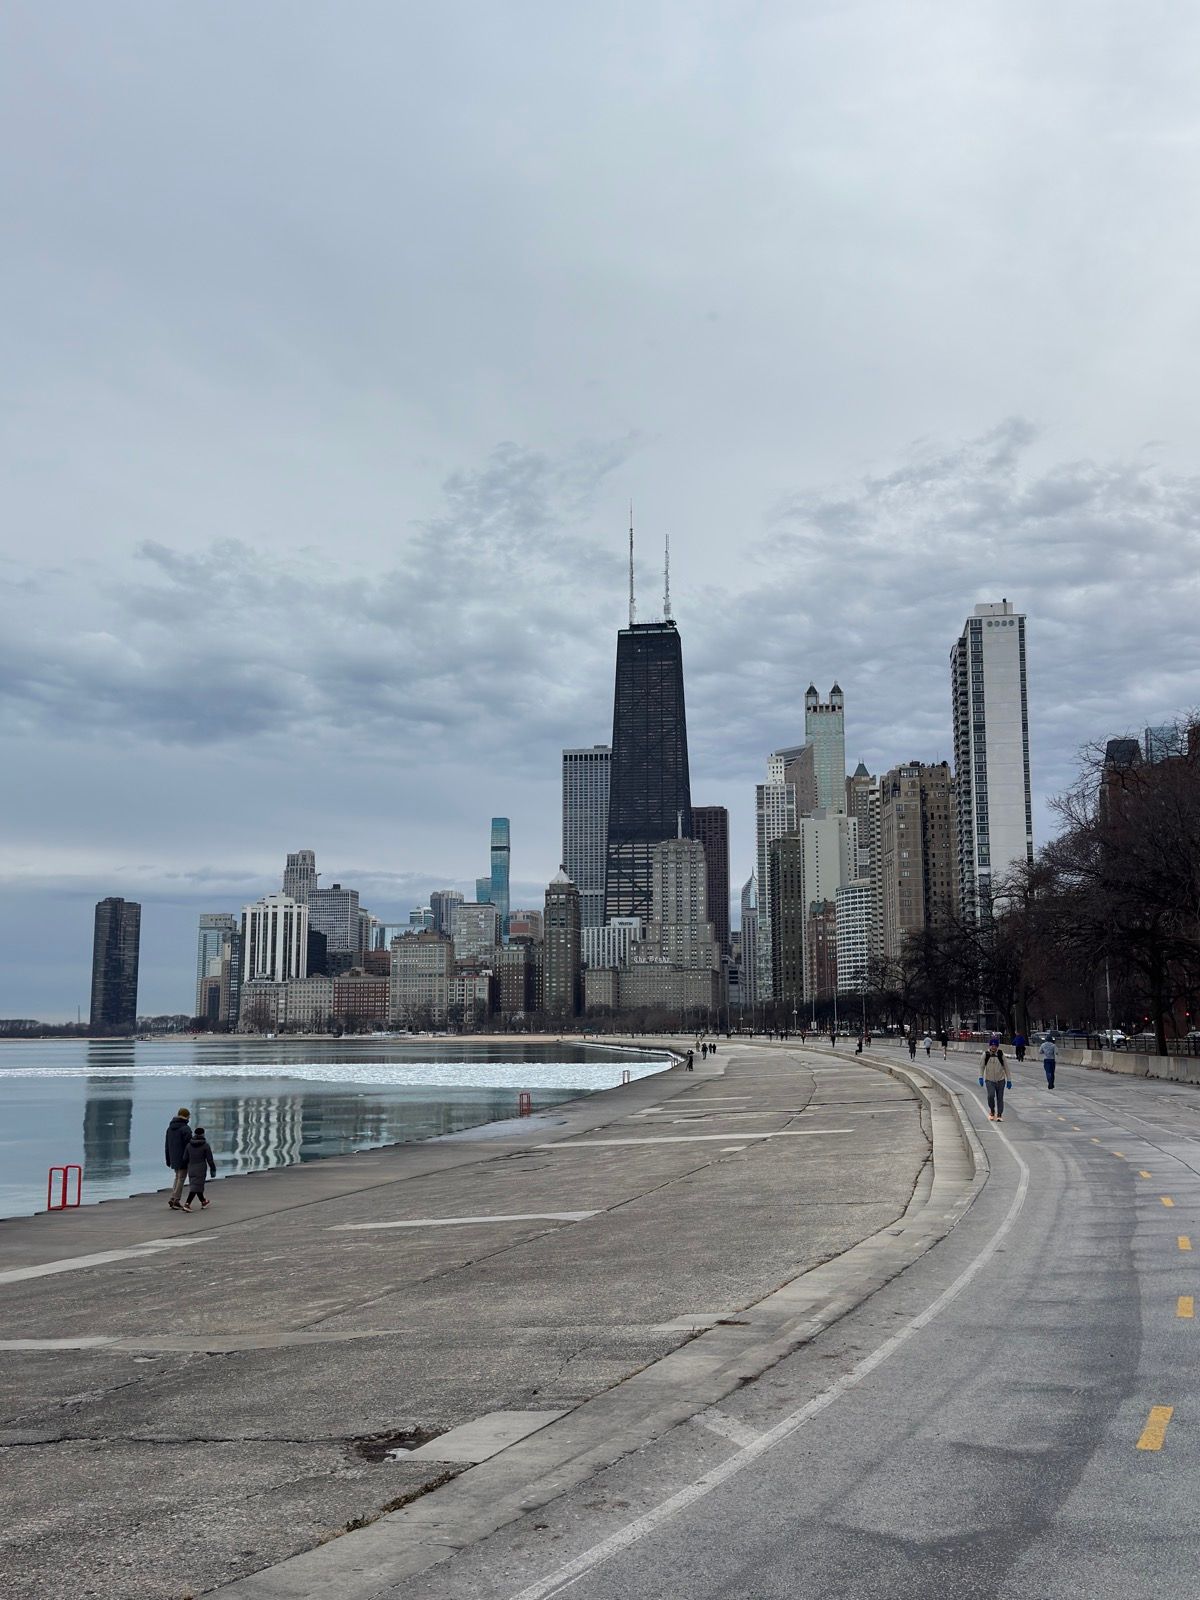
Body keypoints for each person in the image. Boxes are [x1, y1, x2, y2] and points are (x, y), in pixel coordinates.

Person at [182, 1126, 216, 1210]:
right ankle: (187, 1204)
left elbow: (185, 1158)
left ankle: (203, 1201)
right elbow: (210, 1159)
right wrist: (213, 1169)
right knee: (196, 1187)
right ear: (203, 1134)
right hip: (201, 1168)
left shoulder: (189, 1145)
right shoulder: (205, 1145)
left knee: (196, 1185)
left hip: (191, 1168)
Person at [165, 1107, 192, 1210]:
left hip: (173, 1157)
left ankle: (173, 1197)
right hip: (183, 1157)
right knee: (181, 1178)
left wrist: (168, 1159)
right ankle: (175, 1199)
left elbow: (167, 1145)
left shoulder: (170, 1128)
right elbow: (189, 1145)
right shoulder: (185, 1129)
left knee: (177, 1177)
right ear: (186, 1116)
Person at [980, 1041, 1009, 1122]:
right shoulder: (986, 1054)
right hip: (989, 1080)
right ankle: (992, 1111)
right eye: (992, 1045)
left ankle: (999, 1114)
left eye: (995, 1046)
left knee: (1000, 1098)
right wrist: (980, 1077)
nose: (993, 1047)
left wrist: (1009, 1080)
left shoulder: (1000, 1054)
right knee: (991, 1095)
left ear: (997, 1046)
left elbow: (1006, 1067)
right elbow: (981, 1067)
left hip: (1000, 1080)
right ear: (990, 1046)